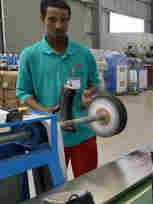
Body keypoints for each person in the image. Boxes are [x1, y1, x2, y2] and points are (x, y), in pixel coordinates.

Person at [16, 0, 100, 193]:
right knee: (51, 192)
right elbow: (23, 92)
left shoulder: (83, 54)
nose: (59, 25)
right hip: (49, 136)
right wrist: (43, 111)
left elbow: (94, 83)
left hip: (83, 133)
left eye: (64, 20)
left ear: (69, 21)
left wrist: (90, 94)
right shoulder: (30, 56)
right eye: (52, 19)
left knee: (87, 187)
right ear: (42, 19)